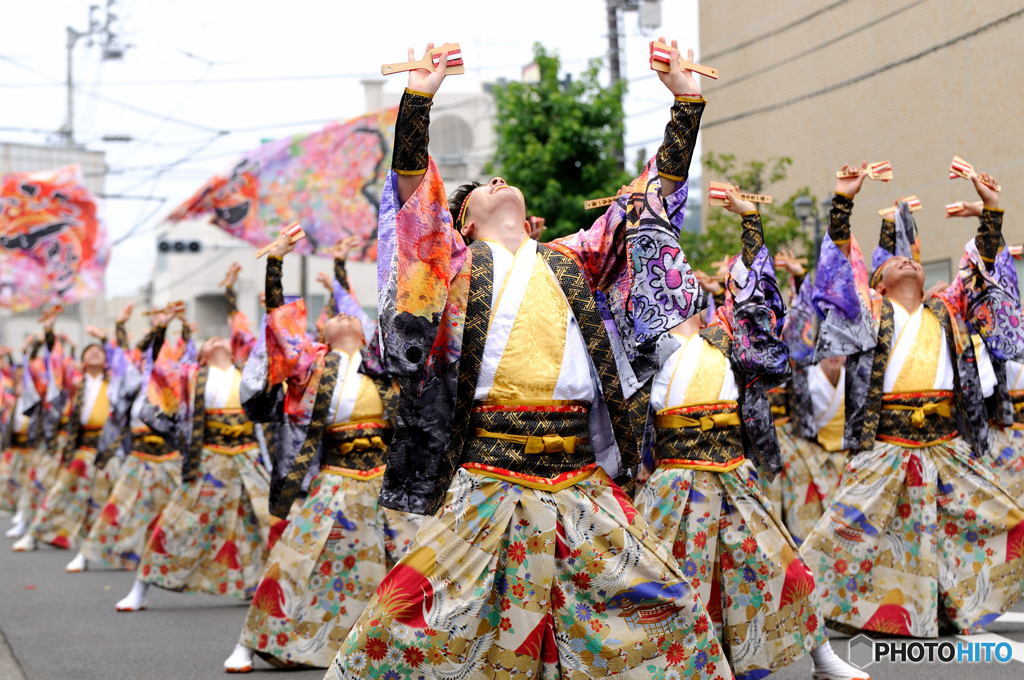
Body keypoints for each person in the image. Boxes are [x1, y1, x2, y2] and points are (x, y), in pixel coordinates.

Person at [326, 40, 729, 679]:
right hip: (489, 472)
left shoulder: (573, 258)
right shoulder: (450, 265)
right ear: (460, 225)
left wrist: (685, 103)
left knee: (667, 605)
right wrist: (420, 97)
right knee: (418, 614)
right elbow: (413, 200)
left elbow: (652, 206)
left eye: (499, 180)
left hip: (579, 476)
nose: (496, 180)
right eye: (480, 189)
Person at [633, 189, 866, 680]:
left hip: (733, 471)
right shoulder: (647, 344)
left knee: (784, 565)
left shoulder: (725, 335)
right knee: (674, 582)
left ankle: (823, 661)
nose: (687, 282)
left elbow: (755, 298)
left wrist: (750, 221)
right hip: (676, 479)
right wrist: (639, 218)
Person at [799, 164, 1024, 636]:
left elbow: (980, 275)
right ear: (877, 284)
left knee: (984, 520)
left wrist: (991, 212)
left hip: (945, 439)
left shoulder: (947, 308)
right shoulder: (867, 311)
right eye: (894, 263)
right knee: (847, 529)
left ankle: (959, 607)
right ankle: (833, 606)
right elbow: (838, 276)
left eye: (914, 262)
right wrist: (843, 200)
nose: (907, 261)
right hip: (887, 442)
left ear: (925, 281)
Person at [223, 237, 420, 672]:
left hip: (387, 481)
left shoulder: (382, 362)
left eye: (350, 312)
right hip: (336, 477)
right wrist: (275, 263)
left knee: (410, 563)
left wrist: (342, 268)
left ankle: (395, 649)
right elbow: (279, 323)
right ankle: (251, 641)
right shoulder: (309, 367)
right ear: (320, 334)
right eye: (333, 314)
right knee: (294, 560)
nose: (344, 314)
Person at [115, 283, 273, 612]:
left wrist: (266, 307)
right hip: (209, 459)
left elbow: (272, 348)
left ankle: (258, 588)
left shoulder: (248, 373)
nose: (214, 341)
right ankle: (141, 588)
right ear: (198, 357)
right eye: (207, 342)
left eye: (219, 339)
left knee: (262, 524)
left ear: (232, 350)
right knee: (176, 521)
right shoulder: (189, 377)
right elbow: (153, 365)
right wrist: (163, 327)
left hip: (247, 458)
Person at [74, 308, 184, 573]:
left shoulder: (176, 378)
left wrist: (163, 330)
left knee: (176, 507)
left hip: (169, 453)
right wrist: (126, 327)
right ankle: (87, 553)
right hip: (138, 452)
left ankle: (166, 557)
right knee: (120, 504)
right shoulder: (135, 379)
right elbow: (124, 357)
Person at [12, 325, 118, 552]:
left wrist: (105, 337)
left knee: (100, 497)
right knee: (61, 491)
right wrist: (50, 337)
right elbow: (56, 366)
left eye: (99, 351)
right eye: (89, 351)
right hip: (81, 447)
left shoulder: (114, 382)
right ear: (81, 360)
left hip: (106, 448)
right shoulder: (75, 381)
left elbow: (126, 361)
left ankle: (90, 544)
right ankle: (34, 534)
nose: (94, 353)